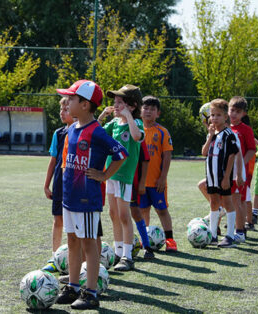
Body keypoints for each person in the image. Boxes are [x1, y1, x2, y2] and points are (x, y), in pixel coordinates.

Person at [54, 79, 126, 310]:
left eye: (72, 99)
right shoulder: (72, 129)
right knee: (72, 242)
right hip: (69, 199)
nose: (68, 103)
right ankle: (73, 286)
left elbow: (120, 154)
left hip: (87, 200)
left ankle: (91, 292)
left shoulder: (96, 131)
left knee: (89, 245)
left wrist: (104, 176)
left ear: (85, 105)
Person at [97, 84, 145, 271]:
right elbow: (98, 133)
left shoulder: (136, 123)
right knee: (113, 213)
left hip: (125, 176)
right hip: (111, 173)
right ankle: (117, 253)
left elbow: (136, 136)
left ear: (132, 106)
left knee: (124, 215)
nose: (115, 106)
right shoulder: (114, 123)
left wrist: (129, 117)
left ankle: (127, 256)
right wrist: (102, 116)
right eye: (114, 103)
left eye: (120, 103)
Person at [138, 96, 178, 252]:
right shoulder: (136, 130)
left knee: (162, 210)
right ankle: (145, 239)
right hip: (141, 181)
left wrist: (163, 177)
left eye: (152, 109)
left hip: (156, 181)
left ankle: (170, 240)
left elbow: (167, 155)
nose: (148, 111)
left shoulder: (162, 131)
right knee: (143, 210)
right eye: (145, 108)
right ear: (140, 111)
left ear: (158, 113)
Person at [41, 95, 75, 272]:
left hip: (75, 183)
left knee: (74, 222)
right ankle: (55, 257)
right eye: (61, 109)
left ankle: (75, 257)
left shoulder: (79, 131)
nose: (62, 112)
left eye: (66, 109)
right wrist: (47, 184)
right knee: (58, 219)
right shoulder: (58, 133)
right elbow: (53, 160)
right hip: (60, 183)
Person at [201, 99, 240, 248]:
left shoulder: (228, 134)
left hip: (223, 176)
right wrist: (210, 135)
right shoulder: (212, 134)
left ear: (225, 117)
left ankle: (230, 236)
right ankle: (213, 235)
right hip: (211, 176)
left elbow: (231, 156)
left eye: (218, 115)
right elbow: (204, 153)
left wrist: (226, 177)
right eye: (212, 115)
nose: (214, 118)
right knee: (214, 202)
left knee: (228, 203)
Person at [228, 96, 257, 242]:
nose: (233, 114)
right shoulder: (224, 127)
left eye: (237, 112)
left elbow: (252, 150)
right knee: (226, 199)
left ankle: (240, 231)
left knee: (239, 200)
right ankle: (228, 227)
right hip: (225, 171)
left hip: (239, 173)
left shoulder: (246, 130)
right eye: (232, 110)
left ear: (243, 114)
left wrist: (241, 164)